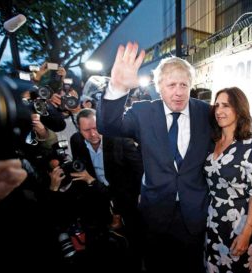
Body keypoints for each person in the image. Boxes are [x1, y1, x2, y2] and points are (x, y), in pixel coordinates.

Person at [96, 41, 212, 273]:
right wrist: (117, 88)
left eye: (184, 85)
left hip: (194, 215)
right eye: (171, 85)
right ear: (159, 87)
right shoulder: (143, 112)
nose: (178, 92)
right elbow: (107, 125)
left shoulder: (206, 112)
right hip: (155, 213)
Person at [71, 108, 144, 272]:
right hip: (96, 202)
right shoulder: (76, 141)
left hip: (125, 199)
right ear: (78, 130)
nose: (93, 134)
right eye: (86, 130)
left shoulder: (121, 140)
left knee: (131, 249)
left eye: (96, 128)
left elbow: (139, 173)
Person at [203, 87, 252, 272]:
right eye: (217, 106)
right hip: (213, 219)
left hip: (241, 222)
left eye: (226, 106)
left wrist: (246, 231)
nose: (219, 111)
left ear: (239, 110)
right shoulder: (213, 141)